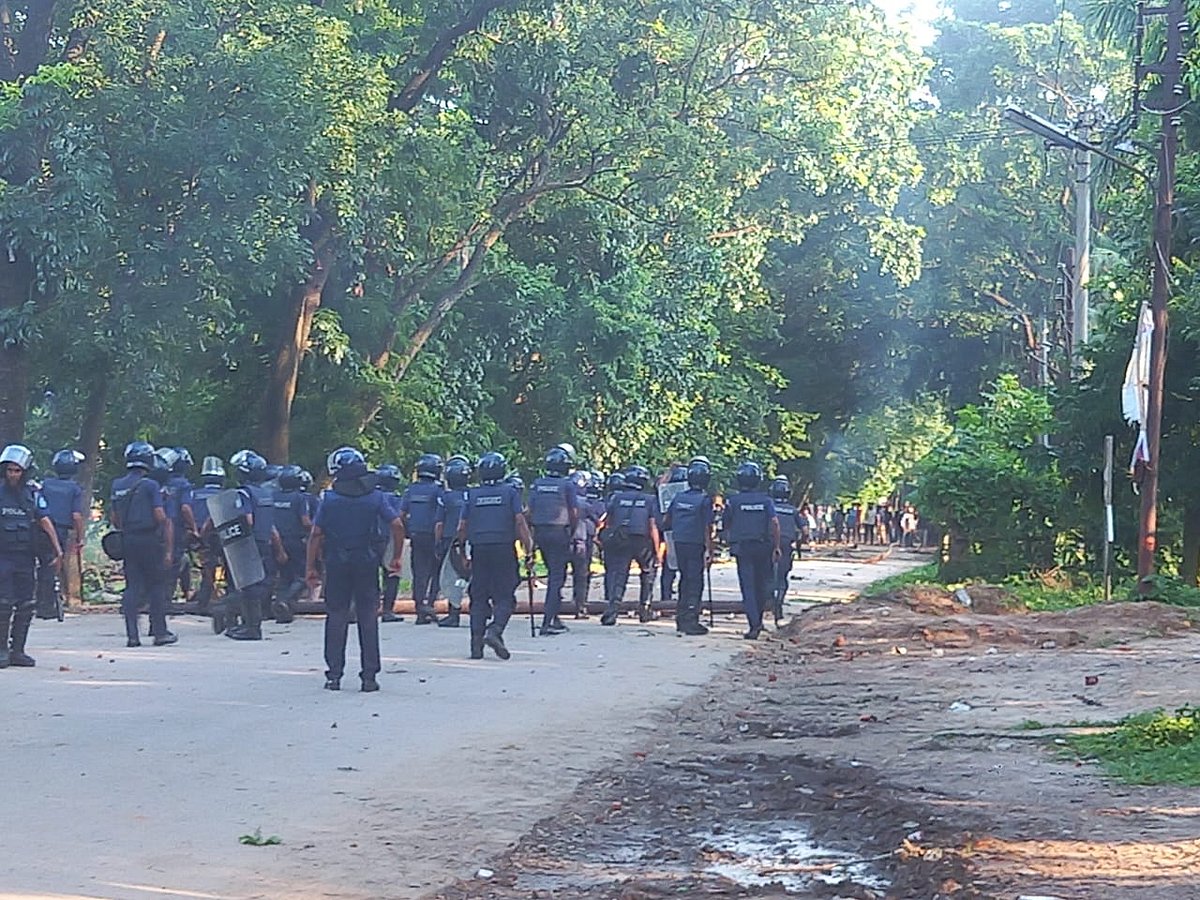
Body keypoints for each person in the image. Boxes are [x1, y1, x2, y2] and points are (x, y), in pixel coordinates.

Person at [307, 447, 403, 692]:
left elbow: (316, 534)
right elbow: (397, 524)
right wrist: (396, 557)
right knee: (368, 617)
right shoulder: (376, 497)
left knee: (337, 616)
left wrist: (311, 567)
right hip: (367, 561)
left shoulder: (329, 499)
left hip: (337, 562)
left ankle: (334, 676)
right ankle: (369, 677)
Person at [457, 451, 532, 660]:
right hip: (503, 549)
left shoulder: (471, 495)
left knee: (478, 596)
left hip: (479, 549)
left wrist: (462, 552)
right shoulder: (510, 493)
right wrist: (529, 548)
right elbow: (519, 521)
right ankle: (495, 630)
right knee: (505, 595)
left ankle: (476, 644)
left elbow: (462, 527)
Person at [0, 446, 62, 667]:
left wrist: (57, 550)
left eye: (17, 470)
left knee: (26, 604)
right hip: (3, 558)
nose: (12, 475)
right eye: (9, 470)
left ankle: (18, 651)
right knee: (3, 604)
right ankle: (2, 651)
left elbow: (45, 521)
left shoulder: (33, 494)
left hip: (26, 557)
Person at [110, 441, 174, 647]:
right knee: (156, 584)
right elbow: (159, 515)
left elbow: (114, 518)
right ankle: (160, 632)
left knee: (132, 586)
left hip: (128, 539)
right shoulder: (150, 485)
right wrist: (166, 538)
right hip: (149, 540)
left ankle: (132, 636)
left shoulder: (117, 485)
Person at [225, 449, 286, 640]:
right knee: (258, 583)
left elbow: (247, 519)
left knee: (246, 586)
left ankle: (251, 627)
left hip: (248, 543)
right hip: (264, 542)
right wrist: (279, 549)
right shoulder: (266, 494)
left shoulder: (243, 493)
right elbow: (272, 526)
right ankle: (250, 624)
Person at [723, 461, 779, 640]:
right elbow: (775, 523)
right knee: (761, 585)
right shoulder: (766, 500)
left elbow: (726, 523)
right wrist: (776, 546)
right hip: (763, 547)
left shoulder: (733, 501)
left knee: (748, 586)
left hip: (743, 548)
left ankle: (754, 624)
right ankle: (759, 620)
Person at [599, 464, 660, 626]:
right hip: (642, 541)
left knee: (620, 575)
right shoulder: (650, 499)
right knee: (648, 573)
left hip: (621, 539)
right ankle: (645, 609)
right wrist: (657, 550)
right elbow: (652, 525)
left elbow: (607, 521)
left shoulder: (616, 498)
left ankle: (612, 611)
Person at [527, 444, 579, 636]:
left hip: (541, 532)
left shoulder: (537, 484)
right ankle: (547, 622)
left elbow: (529, 512)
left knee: (553, 573)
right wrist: (571, 532)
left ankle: (554, 616)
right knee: (557, 577)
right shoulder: (567, 485)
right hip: (559, 532)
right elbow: (574, 513)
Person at [663, 456, 713, 636]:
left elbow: (666, 520)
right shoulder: (705, 500)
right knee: (695, 582)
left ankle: (681, 618)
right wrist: (710, 550)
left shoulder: (678, 497)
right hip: (695, 543)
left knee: (684, 579)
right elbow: (708, 527)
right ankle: (691, 620)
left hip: (679, 542)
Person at [36, 448, 85, 620]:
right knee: (53, 565)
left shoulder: (46, 484)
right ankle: (46, 606)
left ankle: (39, 601)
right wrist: (80, 537)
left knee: (43, 565)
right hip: (60, 531)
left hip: (40, 529)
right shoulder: (75, 489)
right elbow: (76, 516)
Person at [398, 453, 444, 624]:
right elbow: (441, 517)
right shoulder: (438, 490)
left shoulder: (411, 490)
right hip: (433, 536)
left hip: (417, 536)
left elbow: (401, 514)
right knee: (436, 571)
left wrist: (408, 530)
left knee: (419, 573)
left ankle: (420, 610)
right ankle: (430, 605)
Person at [272, 464, 312, 623]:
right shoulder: (300, 498)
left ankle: (282, 612)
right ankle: (285, 601)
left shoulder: (273, 496)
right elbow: (305, 521)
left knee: (284, 576)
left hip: (275, 540)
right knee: (302, 577)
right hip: (295, 541)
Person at [434, 454, 472, 627]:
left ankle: (453, 614)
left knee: (452, 577)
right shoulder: (472, 494)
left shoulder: (445, 497)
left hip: (451, 541)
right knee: (475, 576)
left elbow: (439, 523)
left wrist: (437, 542)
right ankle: (482, 609)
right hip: (472, 540)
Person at [190, 456, 226, 611]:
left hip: (196, 537)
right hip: (219, 537)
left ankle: (205, 599)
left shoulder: (193, 494)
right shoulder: (225, 495)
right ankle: (208, 602)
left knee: (207, 570)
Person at [373, 463, 405, 623]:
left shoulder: (372, 496)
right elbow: (399, 520)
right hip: (390, 540)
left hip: (371, 540)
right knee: (392, 575)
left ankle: (370, 608)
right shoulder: (395, 499)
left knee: (371, 576)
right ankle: (387, 610)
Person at [769, 476, 801, 625]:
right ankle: (778, 605)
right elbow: (805, 530)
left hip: (768, 546)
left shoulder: (768, 506)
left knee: (765, 576)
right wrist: (799, 541)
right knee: (782, 579)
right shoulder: (793, 511)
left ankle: (767, 604)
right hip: (786, 547)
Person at [656, 465, 687, 612]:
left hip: (670, 535)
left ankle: (666, 599)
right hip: (686, 536)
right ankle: (684, 600)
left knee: (669, 570)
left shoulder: (665, 495)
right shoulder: (690, 495)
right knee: (686, 571)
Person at [567, 470, 598, 619]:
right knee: (581, 575)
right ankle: (580, 607)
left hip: (564, 541)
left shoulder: (562, 500)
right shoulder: (584, 504)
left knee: (558, 575)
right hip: (580, 542)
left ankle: (554, 608)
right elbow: (597, 520)